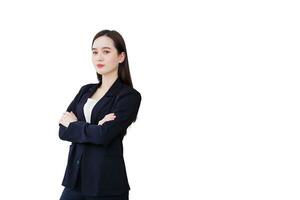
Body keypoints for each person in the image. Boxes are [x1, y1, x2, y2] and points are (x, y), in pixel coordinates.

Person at [58, 29, 142, 200]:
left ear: (121, 57)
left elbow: (104, 136)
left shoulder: (129, 97)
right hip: (75, 180)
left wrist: (75, 125)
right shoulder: (85, 90)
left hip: (106, 184)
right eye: (94, 52)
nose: (99, 57)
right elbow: (62, 130)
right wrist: (95, 128)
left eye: (106, 51)